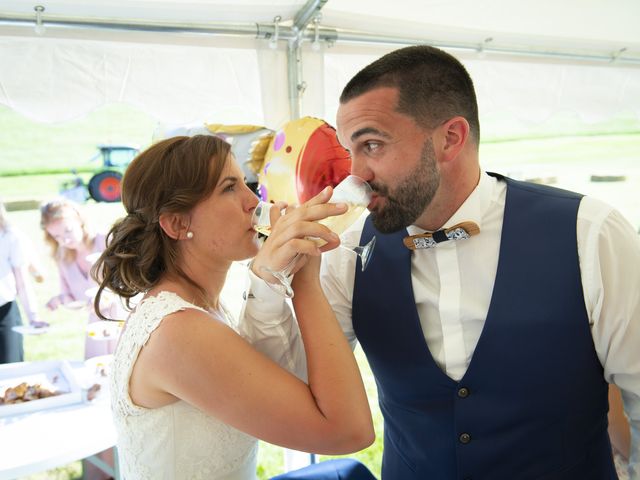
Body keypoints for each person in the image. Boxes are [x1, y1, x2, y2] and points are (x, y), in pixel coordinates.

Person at [240, 45, 640, 479]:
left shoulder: (589, 232)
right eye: (349, 150)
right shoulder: (347, 250)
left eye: (372, 144)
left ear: (451, 138)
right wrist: (268, 280)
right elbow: (288, 382)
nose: (355, 174)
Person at [92, 135, 375, 479]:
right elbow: (349, 430)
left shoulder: (200, 309)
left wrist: (280, 276)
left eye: (245, 182)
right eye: (229, 188)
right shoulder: (180, 332)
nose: (252, 200)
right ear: (178, 224)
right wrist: (303, 282)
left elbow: (290, 384)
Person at [40, 197, 122, 359]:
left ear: (80, 220)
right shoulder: (62, 257)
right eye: (56, 236)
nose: (65, 240)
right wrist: (59, 300)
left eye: (68, 230)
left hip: (122, 319)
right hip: (97, 326)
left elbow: (131, 281)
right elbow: (71, 297)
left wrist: (108, 296)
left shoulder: (107, 241)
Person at [0, 199, 47, 363]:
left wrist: (33, 316)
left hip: (4, 313)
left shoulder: (10, 236)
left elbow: (22, 281)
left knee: (9, 369)